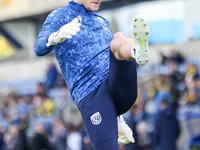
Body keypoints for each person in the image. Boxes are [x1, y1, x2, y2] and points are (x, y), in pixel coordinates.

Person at [34, 0, 150, 149]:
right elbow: (38, 48)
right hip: (92, 94)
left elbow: (112, 60)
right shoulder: (59, 15)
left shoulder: (102, 21)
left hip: (117, 87)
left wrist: (119, 119)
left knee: (118, 38)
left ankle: (136, 50)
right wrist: (54, 37)